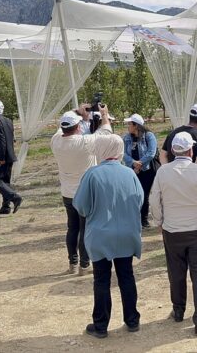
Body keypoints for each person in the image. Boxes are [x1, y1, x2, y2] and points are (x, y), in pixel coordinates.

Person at [73, 134, 144, 339]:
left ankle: (101, 325)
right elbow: (139, 201)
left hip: (101, 234)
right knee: (126, 276)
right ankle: (132, 320)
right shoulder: (129, 173)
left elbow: (81, 206)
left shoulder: (92, 174)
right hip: (127, 233)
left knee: (102, 279)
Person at [149, 132, 197, 336]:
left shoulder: (163, 172)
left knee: (176, 272)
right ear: (191, 150)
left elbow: (154, 200)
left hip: (172, 230)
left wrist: (159, 221)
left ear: (172, 150)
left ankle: (178, 310)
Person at [51, 107, 113, 275]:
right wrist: (105, 114)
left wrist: (75, 111)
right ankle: (84, 265)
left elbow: (61, 128)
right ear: (78, 127)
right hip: (86, 193)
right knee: (86, 229)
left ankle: (72, 262)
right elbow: (106, 131)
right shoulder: (84, 143)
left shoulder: (56, 141)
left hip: (67, 193)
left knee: (72, 228)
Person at [122, 113, 157, 229]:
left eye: (129, 124)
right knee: (133, 194)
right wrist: (133, 163)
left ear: (136, 125)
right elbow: (123, 154)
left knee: (144, 194)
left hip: (147, 170)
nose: (128, 126)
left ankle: (144, 220)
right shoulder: (127, 138)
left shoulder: (149, 136)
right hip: (132, 170)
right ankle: (134, 218)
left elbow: (151, 153)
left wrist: (139, 165)